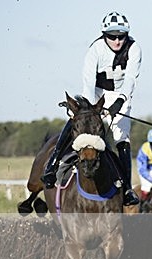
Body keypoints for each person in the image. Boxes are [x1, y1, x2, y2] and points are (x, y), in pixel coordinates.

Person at [41, 11, 140, 206]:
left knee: (122, 138)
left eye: (121, 36)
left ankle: (127, 189)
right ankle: (52, 164)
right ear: (104, 35)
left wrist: (119, 101)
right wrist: (90, 109)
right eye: (112, 36)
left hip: (120, 95)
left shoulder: (134, 48)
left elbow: (130, 79)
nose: (117, 41)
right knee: (77, 120)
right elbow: (88, 82)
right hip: (95, 93)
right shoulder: (95, 50)